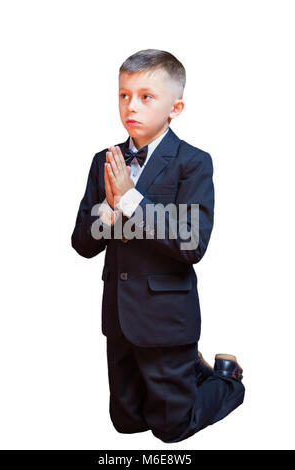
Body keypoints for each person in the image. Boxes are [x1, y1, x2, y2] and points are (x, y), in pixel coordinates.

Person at [71, 49, 245, 443]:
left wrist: (132, 201)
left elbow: (193, 242)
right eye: (124, 95)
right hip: (118, 315)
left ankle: (226, 380)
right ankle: (191, 374)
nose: (131, 106)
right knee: (127, 423)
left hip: (167, 318)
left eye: (147, 96)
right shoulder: (105, 160)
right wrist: (110, 214)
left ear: (175, 107)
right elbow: (82, 243)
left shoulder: (193, 162)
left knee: (170, 429)